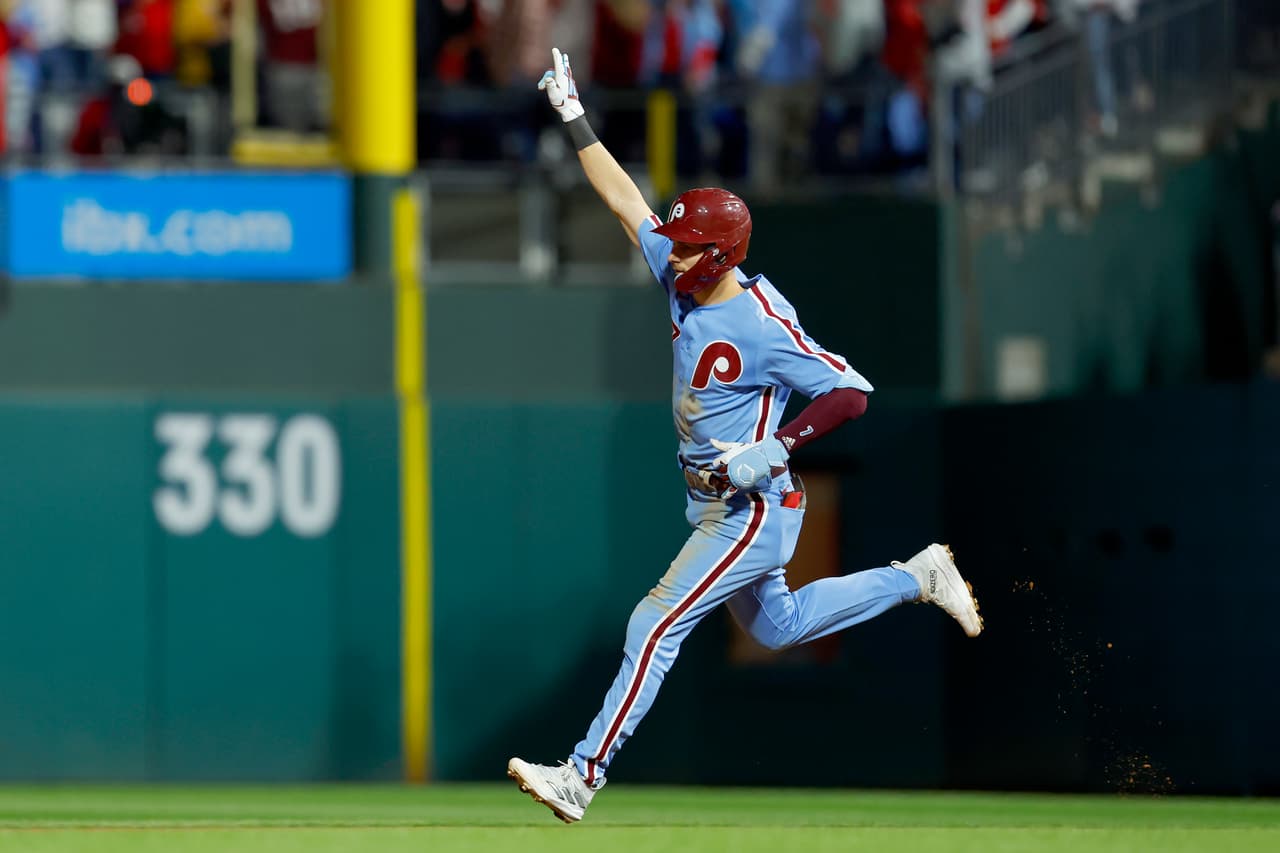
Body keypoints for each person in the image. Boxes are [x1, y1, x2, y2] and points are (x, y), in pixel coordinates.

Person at [507, 47, 984, 825]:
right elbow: (627, 200)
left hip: (754, 507)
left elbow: (851, 394)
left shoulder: (761, 321)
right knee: (781, 624)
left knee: (654, 621)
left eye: (690, 243)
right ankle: (919, 576)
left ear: (721, 254)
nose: (673, 248)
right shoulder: (678, 267)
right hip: (712, 502)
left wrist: (781, 445)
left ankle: (581, 776)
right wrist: (573, 115)